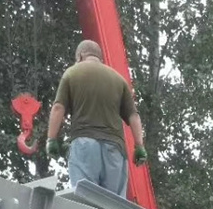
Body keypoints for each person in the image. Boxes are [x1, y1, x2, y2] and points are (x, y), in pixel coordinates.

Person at [46, 39, 147, 197]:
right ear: (100, 58)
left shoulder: (72, 73)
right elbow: (133, 115)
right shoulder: (118, 79)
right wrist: (139, 146)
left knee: (87, 200)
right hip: (114, 149)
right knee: (114, 204)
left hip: (84, 145)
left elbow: (58, 107)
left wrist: (51, 139)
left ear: (80, 55)